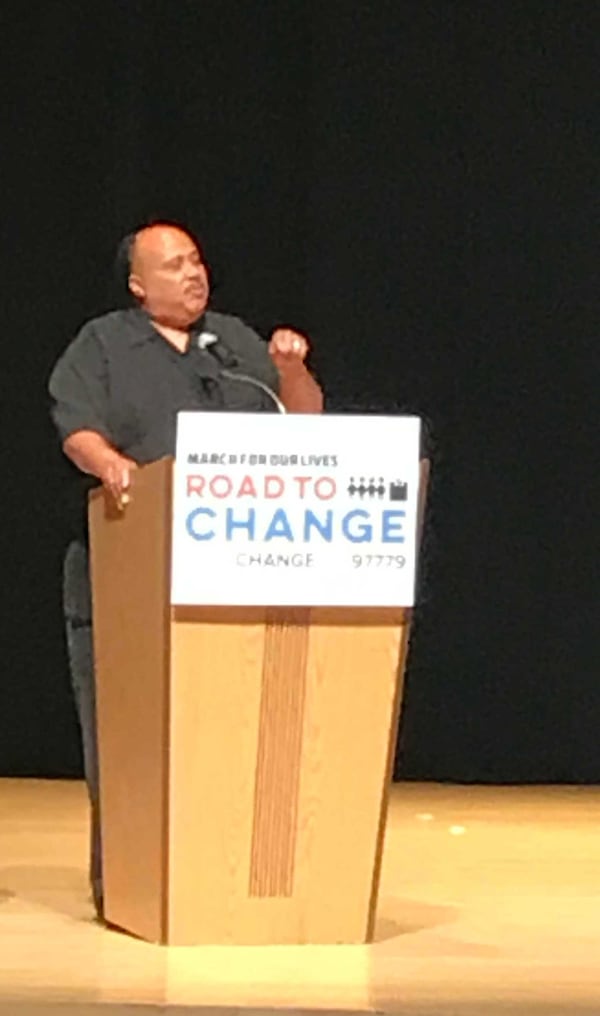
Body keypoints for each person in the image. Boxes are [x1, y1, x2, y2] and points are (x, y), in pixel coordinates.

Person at [48, 221, 323, 920]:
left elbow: (302, 420)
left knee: (227, 730)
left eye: (196, 260)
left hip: (235, 571)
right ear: (139, 286)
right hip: (129, 566)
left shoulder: (230, 343)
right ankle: (132, 884)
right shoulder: (104, 344)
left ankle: (226, 873)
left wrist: (289, 367)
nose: (192, 274)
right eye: (172, 266)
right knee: (126, 733)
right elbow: (76, 424)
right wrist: (112, 464)